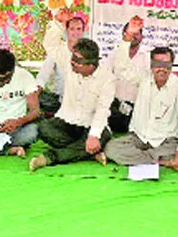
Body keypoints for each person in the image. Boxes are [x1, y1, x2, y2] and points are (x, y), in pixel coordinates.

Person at [104, 16, 178, 171]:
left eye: (166, 64)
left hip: (165, 140)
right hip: (140, 137)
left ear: (172, 66)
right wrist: (128, 36)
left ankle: (145, 159)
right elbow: (122, 67)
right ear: (151, 65)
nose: (162, 68)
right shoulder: (143, 78)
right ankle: (158, 161)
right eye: (157, 64)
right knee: (111, 148)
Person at [29, 19, 115, 171]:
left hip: (92, 125)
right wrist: (57, 24)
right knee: (43, 128)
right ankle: (87, 152)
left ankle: (50, 157)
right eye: (73, 59)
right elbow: (50, 46)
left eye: (77, 62)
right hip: (68, 122)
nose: (72, 63)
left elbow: (103, 109)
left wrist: (93, 136)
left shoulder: (107, 79)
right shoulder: (69, 64)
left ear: (91, 65)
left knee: (102, 137)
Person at [107, 22, 149, 133]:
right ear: (123, 36)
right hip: (114, 106)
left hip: (137, 109)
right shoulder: (114, 55)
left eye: (136, 33)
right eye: (130, 33)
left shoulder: (147, 58)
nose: (133, 36)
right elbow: (105, 78)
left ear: (142, 37)